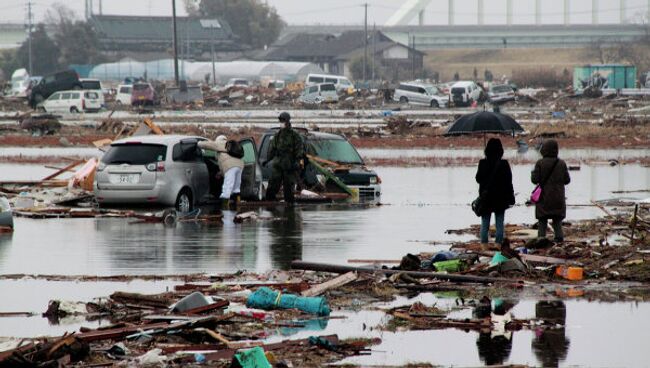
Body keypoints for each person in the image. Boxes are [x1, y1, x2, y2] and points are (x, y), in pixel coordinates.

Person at [475, 138, 515, 247]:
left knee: (485, 223)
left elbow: (478, 179)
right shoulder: (504, 164)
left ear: (487, 150)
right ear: (500, 150)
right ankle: (498, 245)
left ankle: (484, 246)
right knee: (499, 223)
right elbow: (509, 182)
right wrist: (511, 197)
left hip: (486, 197)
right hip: (501, 198)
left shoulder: (483, 163)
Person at [531, 139, 570, 242]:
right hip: (558, 198)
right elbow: (567, 180)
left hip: (544, 198)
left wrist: (533, 172)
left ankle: (541, 240)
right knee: (557, 221)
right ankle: (559, 240)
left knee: (542, 221)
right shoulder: (561, 163)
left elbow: (534, 180)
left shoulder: (540, 163)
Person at [265, 112, 304, 204]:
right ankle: (269, 204)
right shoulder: (278, 135)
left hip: (289, 165)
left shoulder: (295, 135)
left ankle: (289, 209)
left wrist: (297, 161)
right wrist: (267, 160)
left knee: (289, 188)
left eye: (283, 121)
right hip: (278, 164)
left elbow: (299, 150)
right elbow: (272, 149)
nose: (281, 122)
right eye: (280, 121)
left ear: (287, 121)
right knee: (273, 184)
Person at [198, 135, 243, 209]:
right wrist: (221, 173)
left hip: (230, 166)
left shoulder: (220, 143)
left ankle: (225, 207)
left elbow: (207, 145)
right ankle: (238, 205)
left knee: (227, 188)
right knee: (236, 188)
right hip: (240, 165)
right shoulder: (230, 145)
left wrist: (198, 143)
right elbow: (224, 166)